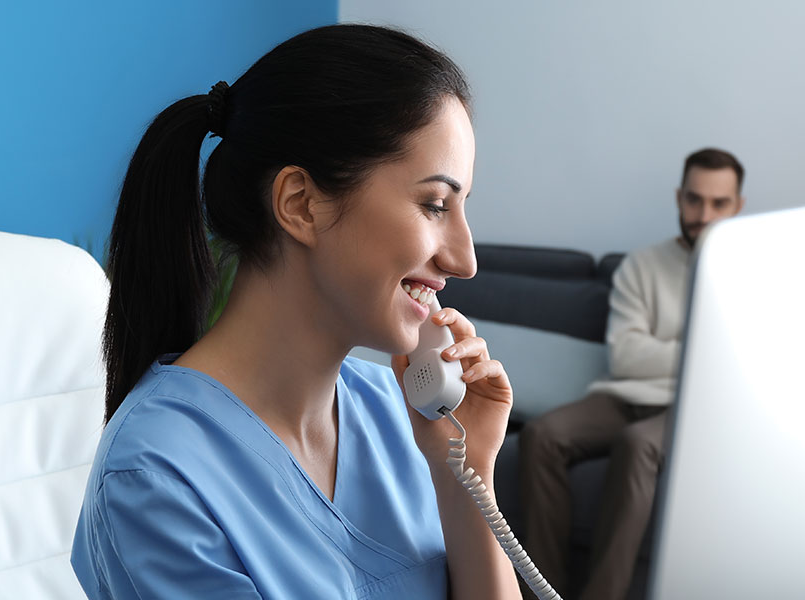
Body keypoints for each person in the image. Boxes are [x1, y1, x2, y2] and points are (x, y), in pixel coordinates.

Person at [70, 24, 526, 599]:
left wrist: (467, 472)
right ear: (300, 204)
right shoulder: (156, 478)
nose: (465, 259)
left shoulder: (402, 417)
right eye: (434, 204)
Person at [517, 148, 746, 599]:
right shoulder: (641, 266)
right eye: (695, 200)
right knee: (541, 435)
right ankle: (543, 592)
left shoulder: (750, 272)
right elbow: (627, 356)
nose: (704, 214)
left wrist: (673, 353)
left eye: (719, 203)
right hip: (623, 395)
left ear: (737, 205)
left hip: (694, 405)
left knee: (638, 444)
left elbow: (735, 368)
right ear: (679, 198)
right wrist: (701, 351)